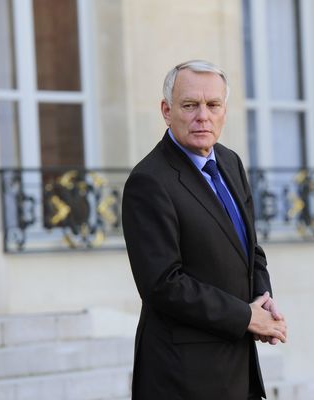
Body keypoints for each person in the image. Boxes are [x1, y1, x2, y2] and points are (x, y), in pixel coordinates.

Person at [121, 60, 287, 400]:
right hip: (182, 375)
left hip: (237, 367)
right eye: (190, 105)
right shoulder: (149, 181)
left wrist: (262, 300)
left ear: (224, 111)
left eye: (213, 105)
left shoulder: (230, 162)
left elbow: (250, 250)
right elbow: (162, 284)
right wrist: (245, 317)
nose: (203, 116)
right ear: (167, 111)